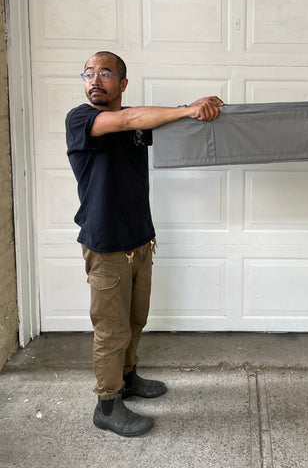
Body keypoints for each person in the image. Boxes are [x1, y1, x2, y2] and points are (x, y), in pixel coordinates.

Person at [66, 51, 223, 437]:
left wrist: (209, 112)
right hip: (107, 247)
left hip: (139, 240)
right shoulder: (82, 119)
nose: (95, 79)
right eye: (89, 73)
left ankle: (128, 379)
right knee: (111, 330)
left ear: (123, 83)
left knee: (136, 320)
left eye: (105, 73)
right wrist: (187, 107)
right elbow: (129, 118)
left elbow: (166, 128)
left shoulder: (137, 121)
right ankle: (107, 405)